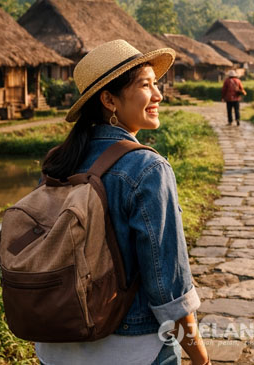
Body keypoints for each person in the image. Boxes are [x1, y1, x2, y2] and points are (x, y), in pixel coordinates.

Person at [35, 40, 210, 365]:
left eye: (156, 84)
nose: (158, 95)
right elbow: (167, 288)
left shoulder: (56, 163)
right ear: (109, 99)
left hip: (56, 348)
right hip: (134, 350)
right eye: (146, 85)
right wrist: (201, 357)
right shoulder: (148, 168)